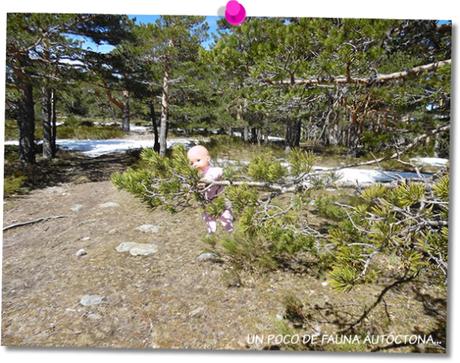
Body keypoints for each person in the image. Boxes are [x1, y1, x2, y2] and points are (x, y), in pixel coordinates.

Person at [187, 145, 233, 234]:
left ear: (208, 158)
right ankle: (211, 231)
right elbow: (191, 186)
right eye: (192, 163)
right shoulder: (195, 175)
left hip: (220, 199)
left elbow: (218, 172)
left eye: (198, 160)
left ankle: (229, 230)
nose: (195, 164)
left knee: (225, 215)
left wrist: (208, 179)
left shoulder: (213, 170)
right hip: (206, 201)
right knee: (207, 216)